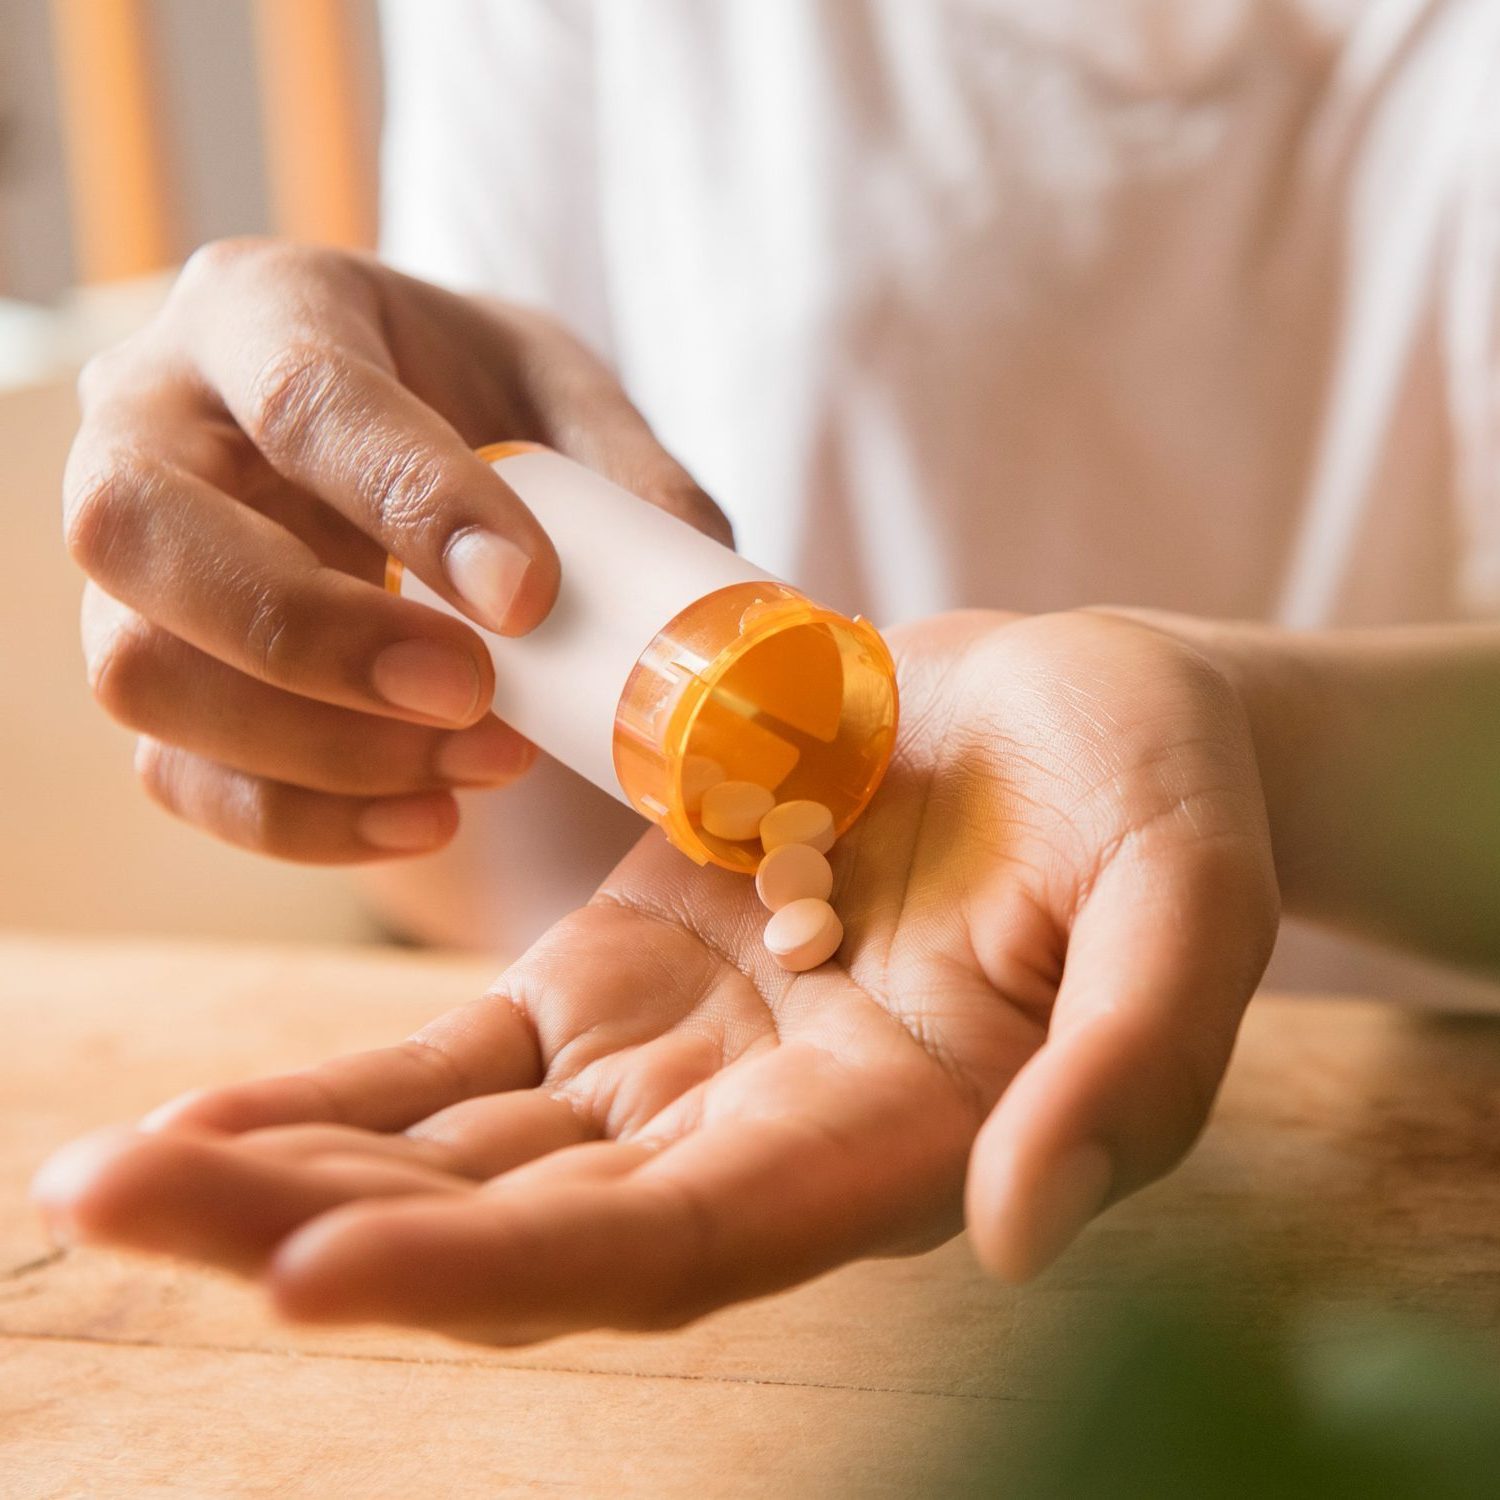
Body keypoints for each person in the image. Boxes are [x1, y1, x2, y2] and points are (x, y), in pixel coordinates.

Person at [32, 1, 1500, 1342]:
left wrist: (1253, 743)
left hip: (1388, 1213)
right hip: (853, 1313)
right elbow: (508, 868)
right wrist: (354, 608)